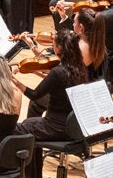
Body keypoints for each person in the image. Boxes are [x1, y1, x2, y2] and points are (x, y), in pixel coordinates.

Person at [12, 29, 88, 178]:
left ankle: (30, 175)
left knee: (20, 129)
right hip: (74, 127)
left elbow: (34, 95)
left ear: (59, 47)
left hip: (55, 127)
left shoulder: (58, 72)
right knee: (30, 126)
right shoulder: (80, 68)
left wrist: (14, 81)